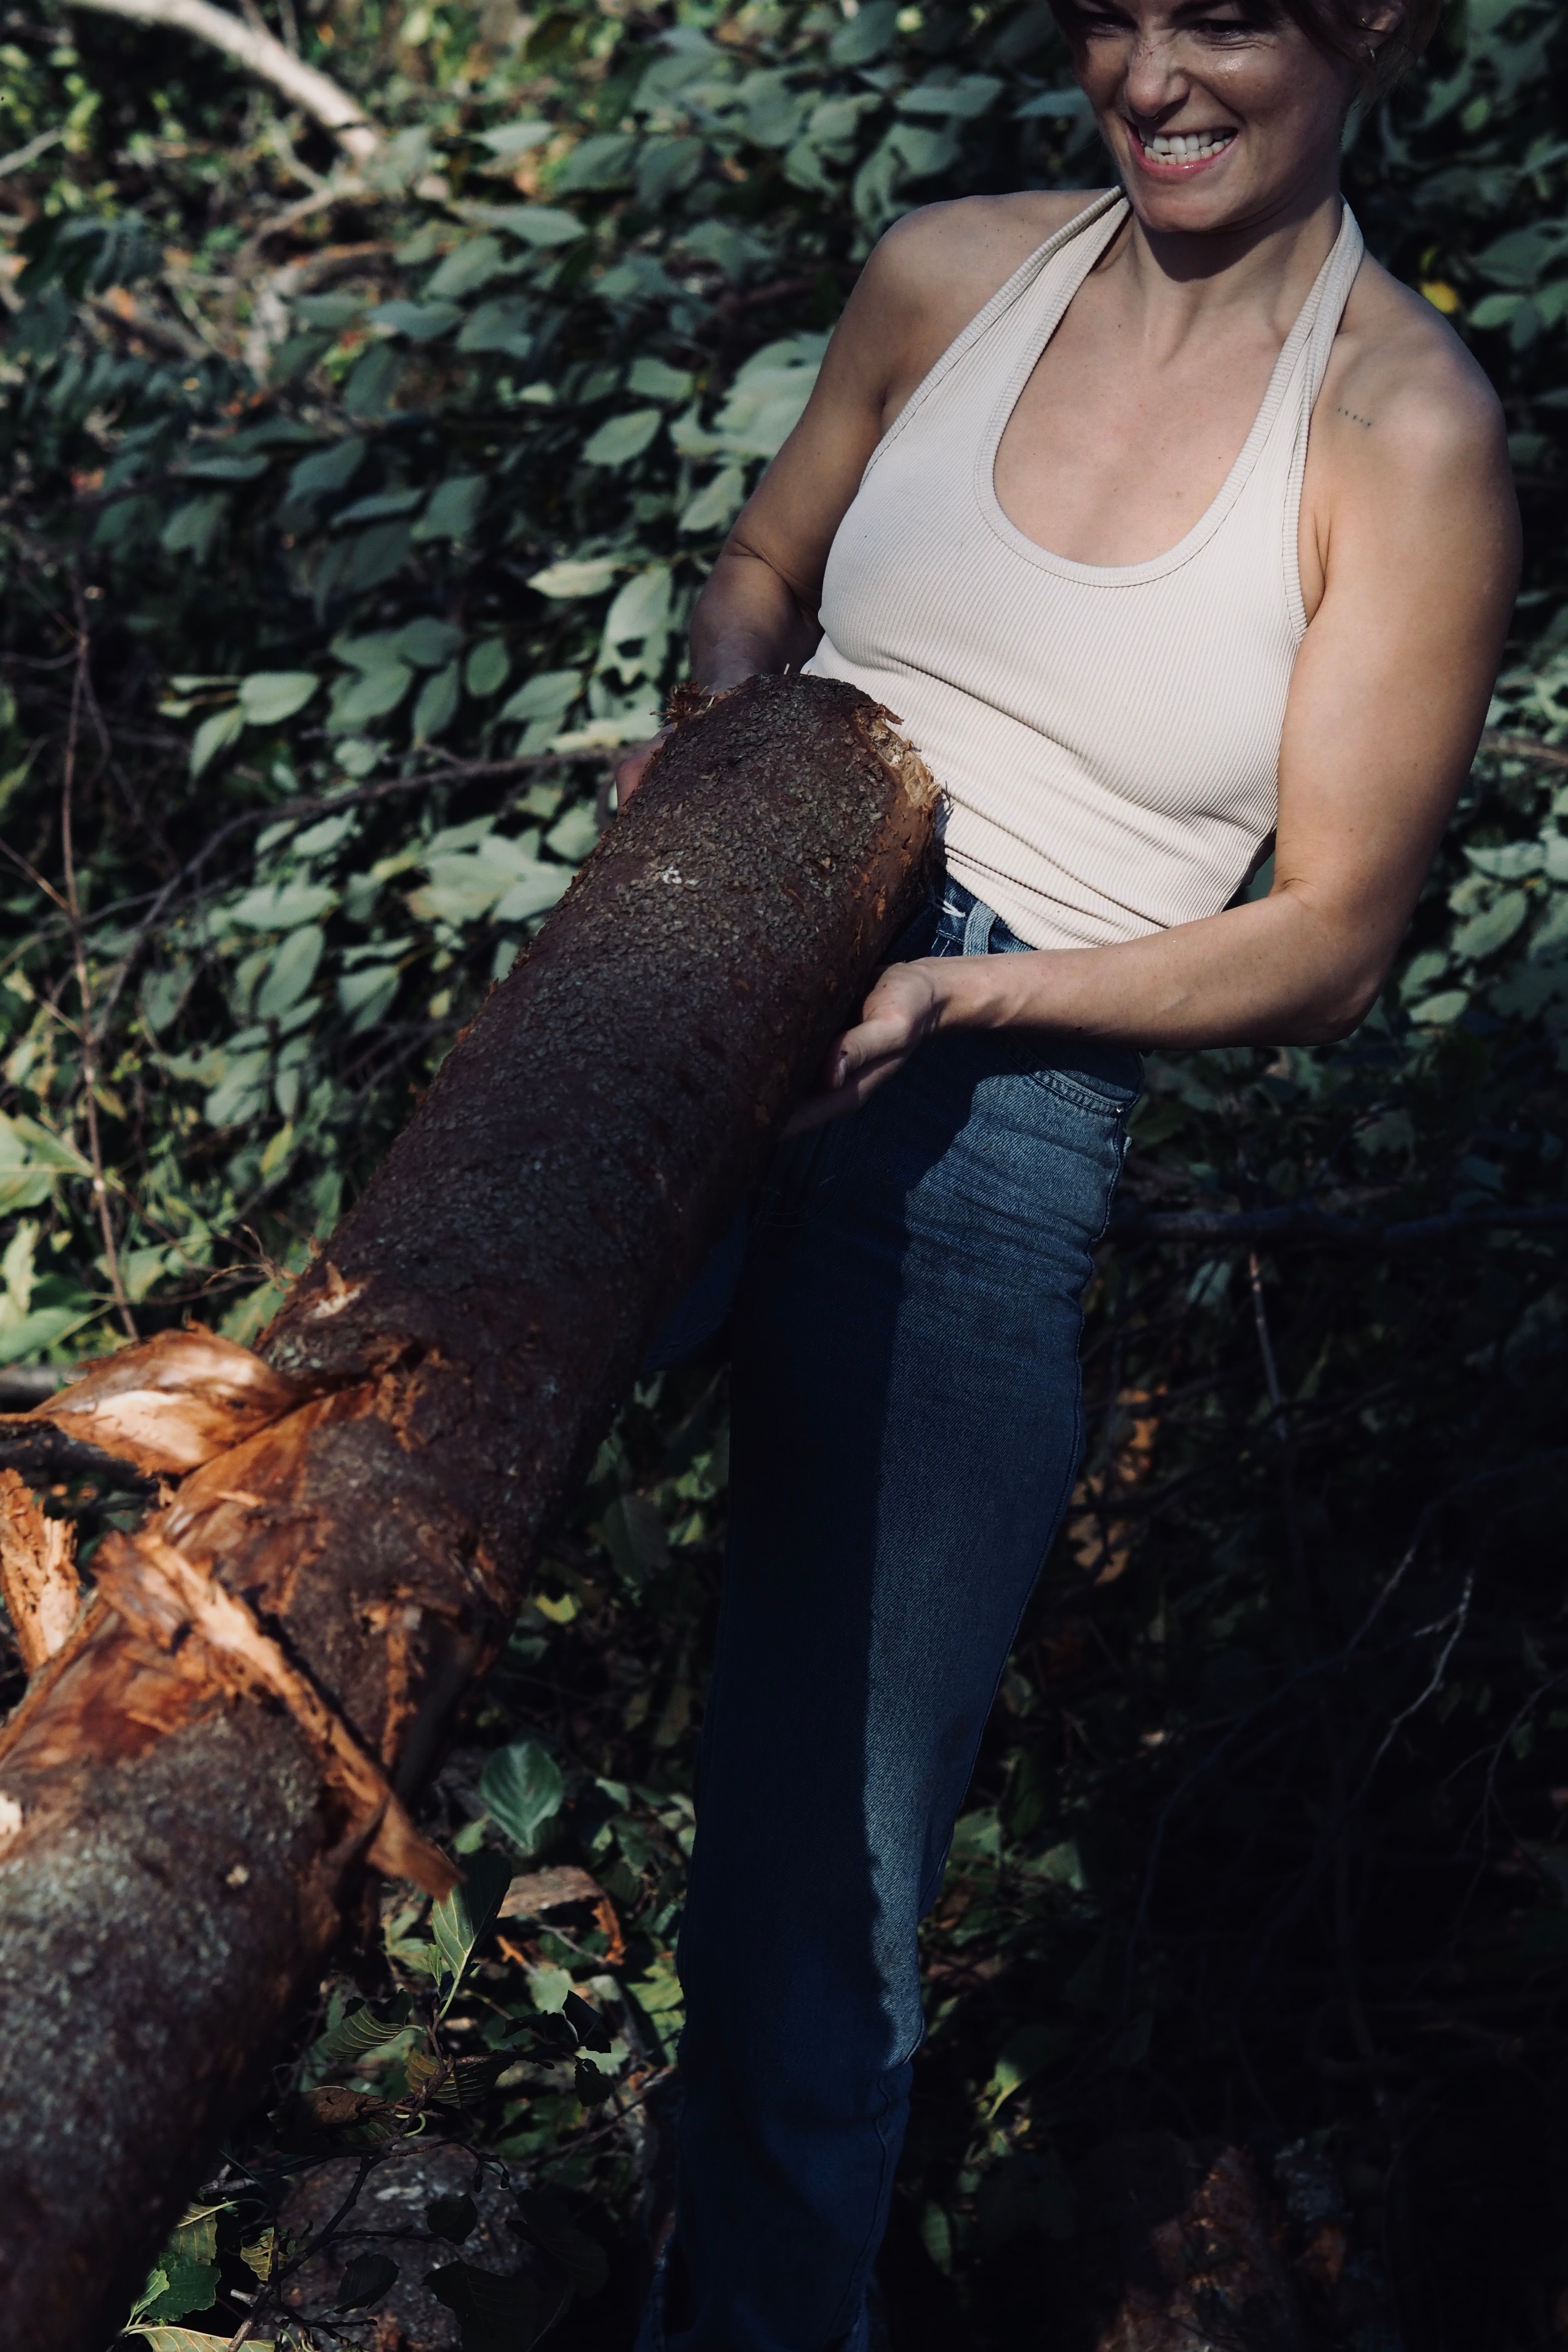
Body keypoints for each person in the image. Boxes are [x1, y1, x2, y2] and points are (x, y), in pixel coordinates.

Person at [621, 0, 1518, 2339]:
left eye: (1220, 16)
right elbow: (765, 561)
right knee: (375, 1433)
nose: (1154, 75)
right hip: (717, 986)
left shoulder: (1405, 434)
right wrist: (710, 770)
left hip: (992, 1123)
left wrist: (963, 1003)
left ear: (1372, 34)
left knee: (821, 1886)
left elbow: (1329, 939)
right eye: (1114, 16)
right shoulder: (948, 273)